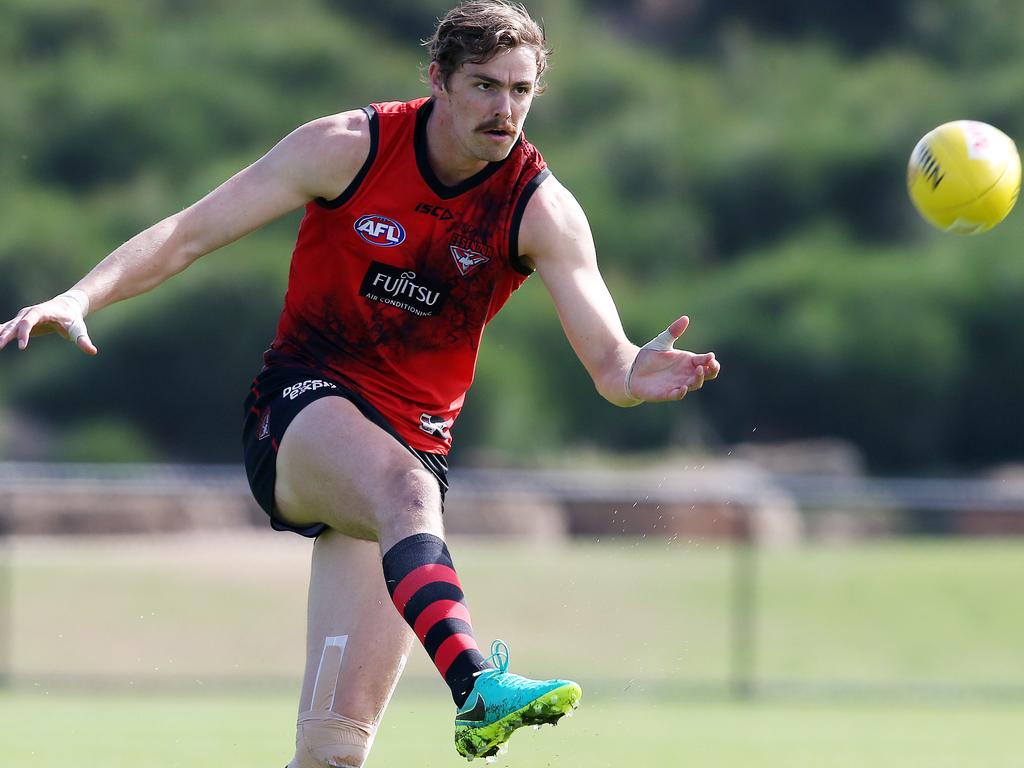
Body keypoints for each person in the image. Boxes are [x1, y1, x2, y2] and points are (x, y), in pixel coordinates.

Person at [0, 1, 720, 764]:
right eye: (483, 86)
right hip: (300, 411)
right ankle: (476, 685)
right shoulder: (349, 147)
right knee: (408, 494)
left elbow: (609, 367)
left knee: (332, 757)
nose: (504, 109)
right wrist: (81, 295)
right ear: (438, 80)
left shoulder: (540, 209)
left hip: (406, 459)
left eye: (519, 90)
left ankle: (445, 695)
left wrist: (637, 375)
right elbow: (188, 233)